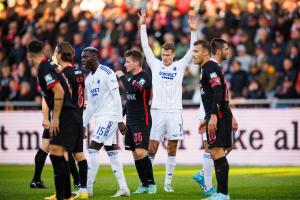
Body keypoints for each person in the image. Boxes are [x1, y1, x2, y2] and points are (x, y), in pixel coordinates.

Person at [139, 8, 198, 192]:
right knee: (152, 148)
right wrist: (143, 25)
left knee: (172, 147)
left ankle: (168, 183)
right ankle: (148, 183)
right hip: (156, 111)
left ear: (173, 55)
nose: (165, 58)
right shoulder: (155, 64)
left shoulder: (179, 66)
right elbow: (145, 47)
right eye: (163, 55)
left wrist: (194, 31)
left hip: (174, 112)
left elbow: (191, 50)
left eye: (168, 55)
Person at [27, 40, 81, 200]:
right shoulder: (47, 66)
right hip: (68, 114)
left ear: (28, 54)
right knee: (57, 152)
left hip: (65, 115)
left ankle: (62, 196)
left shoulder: (44, 68)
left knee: (56, 152)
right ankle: (65, 195)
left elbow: (59, 92)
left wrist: (55, 118)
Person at [81, 47, 130, 197]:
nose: (82, 60)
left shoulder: (107, 73)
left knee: (93, 147)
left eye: (86, 57)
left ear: (95, 57)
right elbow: (91, 105)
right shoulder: (88, 79)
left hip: (110, 116)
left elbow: (117, 97)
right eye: (82, 57)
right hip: (100, 117)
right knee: (111, 150)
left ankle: (87, 189)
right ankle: (123, 188)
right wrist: (84, 124)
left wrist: (120, 120)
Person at [193, 38, 238, 197]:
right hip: (217, 114)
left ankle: (223, 194)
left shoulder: (209, 67)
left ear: (206, 52)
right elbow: (215, 94)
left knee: (217, 151)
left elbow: (218, 91)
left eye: (196, 51)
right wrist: (207, 118)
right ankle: (220, 193)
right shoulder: (212, 67)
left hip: (218, 115)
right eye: (193, 51)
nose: (193, 55)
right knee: (215, 152)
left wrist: (212, 116)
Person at [115, 49, 156, 194]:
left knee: (141, 152)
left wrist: (121, 77)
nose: (125, 64)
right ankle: (143, 184)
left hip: (142, 120)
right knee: (134, 153)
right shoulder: (131, 78)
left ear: (137, 62)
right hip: (130, 121)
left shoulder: (144, 77)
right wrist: (121, 118)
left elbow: (132, 90)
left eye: (128, 62)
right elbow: (129, 101)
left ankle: (151, 184)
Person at [52, 42, 88, 199]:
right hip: (79, 117)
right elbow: (83, 93)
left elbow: (61, 96)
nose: (54, 55)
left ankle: (63, 192)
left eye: (55, 52)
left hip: (68, 118)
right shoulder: (78, 70)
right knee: (79, 155)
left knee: (62, 155)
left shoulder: (64, 74)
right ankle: (84, 190)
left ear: (60, 54)